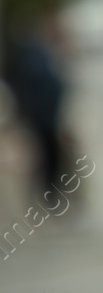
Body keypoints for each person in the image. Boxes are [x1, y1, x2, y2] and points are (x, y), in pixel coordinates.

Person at [6, 19, 68, 195]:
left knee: (47, 152)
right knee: (49, 152)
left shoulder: (33, 54)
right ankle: (51, 189)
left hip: (43, 113)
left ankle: (49, 188)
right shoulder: (35, 56)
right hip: (44, 115)